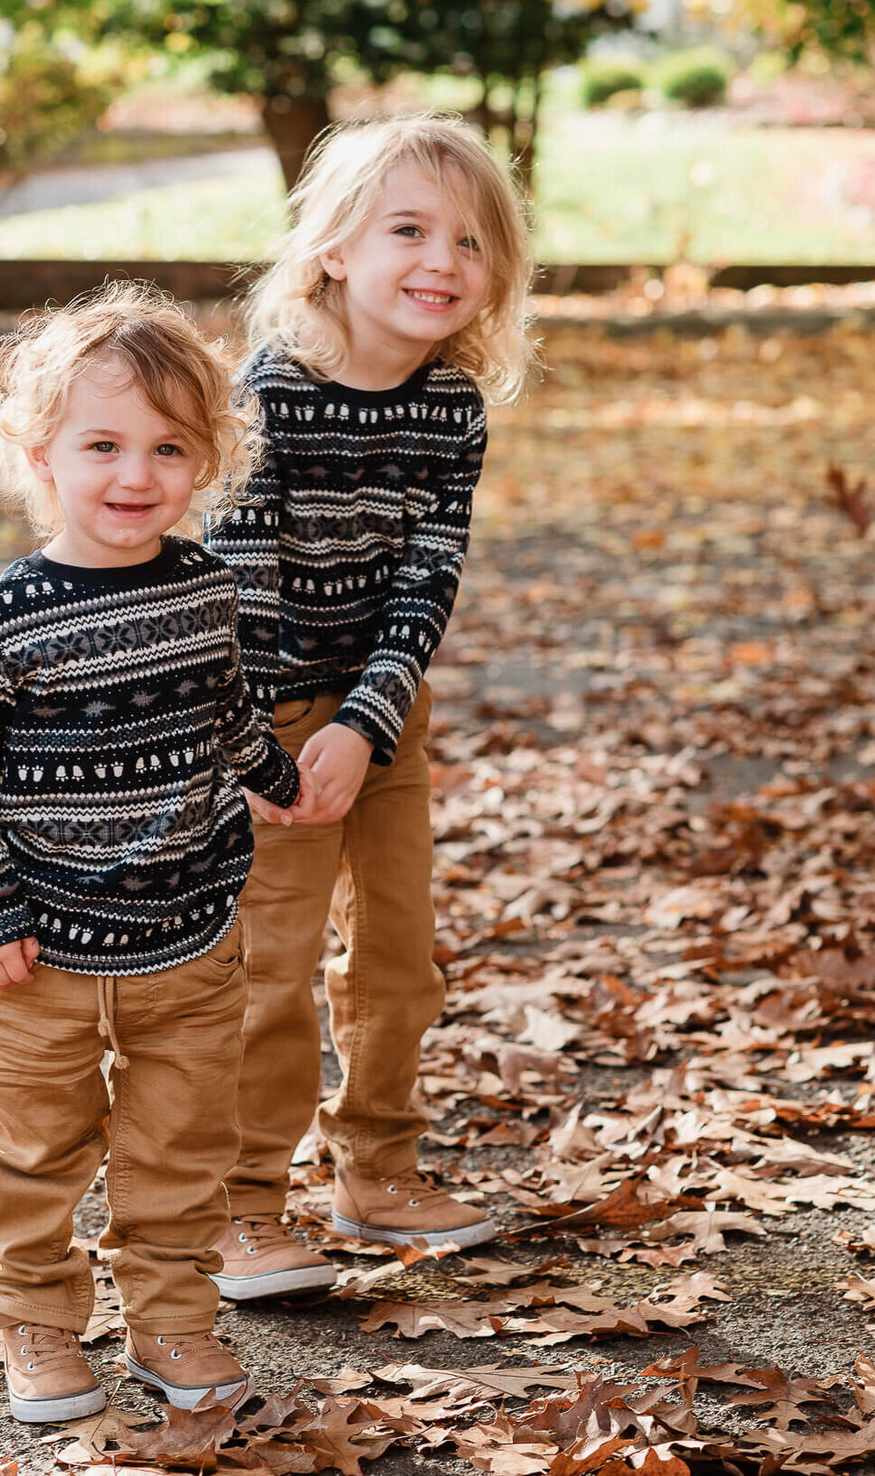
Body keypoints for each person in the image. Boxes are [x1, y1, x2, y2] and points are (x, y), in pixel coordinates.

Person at [0, 284, 305, 1423]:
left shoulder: (205, 586)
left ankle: (172, 1318)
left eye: (167, 448)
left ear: (206, 461)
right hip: (36, 949)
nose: (135, 474)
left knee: (183, 1142)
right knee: (38, 1145)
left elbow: (228, 706)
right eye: (103, 444)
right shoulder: (6, 617)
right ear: (38, 452)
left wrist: (273, 777)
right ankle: (38, 1319)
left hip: (188, 932)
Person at [204, 114, 535, 1301]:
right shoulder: (270, 394)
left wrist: (370, 721)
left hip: (382, 713)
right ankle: (242, 1206)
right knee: (272, 962)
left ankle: (376, 1168)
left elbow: (426, 578)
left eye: (471, 240)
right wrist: (279, 743)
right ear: (335, 246)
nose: (442, 259)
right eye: (408, 228)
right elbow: (241, 583)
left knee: (399, 954)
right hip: (266, 718)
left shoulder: (450, 410)